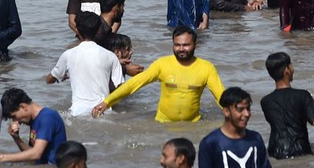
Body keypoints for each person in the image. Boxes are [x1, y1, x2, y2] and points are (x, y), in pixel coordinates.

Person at [197, 87, 310, 168]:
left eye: (248, 109)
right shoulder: (211, 143)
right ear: (226, 111)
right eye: (240, 109)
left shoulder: (255, 139)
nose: (246, 114)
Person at [92, 26, 223, 122]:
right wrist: (106, 102)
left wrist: (234, 112)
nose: (181, 49)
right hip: (163, 124)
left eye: (186, 45)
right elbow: (133, 84)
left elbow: (221, 96)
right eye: (177, 45)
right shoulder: (162, 64)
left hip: (192, 124)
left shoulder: (206, 68)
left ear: (195, 45)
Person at [260, 51, 314, 159]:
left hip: (275, 152)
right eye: (291, 65)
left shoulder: (265, 101)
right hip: (300, 151)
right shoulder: (303, 95)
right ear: (287, 70)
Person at [48, 13, 125, 116]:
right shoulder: (110, 56)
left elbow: (49, 80)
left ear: (77, 31)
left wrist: (59, 76)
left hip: (77, 113)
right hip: (103, 111)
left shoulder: (68, 54)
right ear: (98, 30)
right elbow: (120, 89)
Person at [0, 87, 66, 165]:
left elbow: (36, 154)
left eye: (14, 117)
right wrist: (16, 138)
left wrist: (0, 157)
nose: (16, 122)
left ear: (23, 106)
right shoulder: (35, 120)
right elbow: (31, 155)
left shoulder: (47, 117)